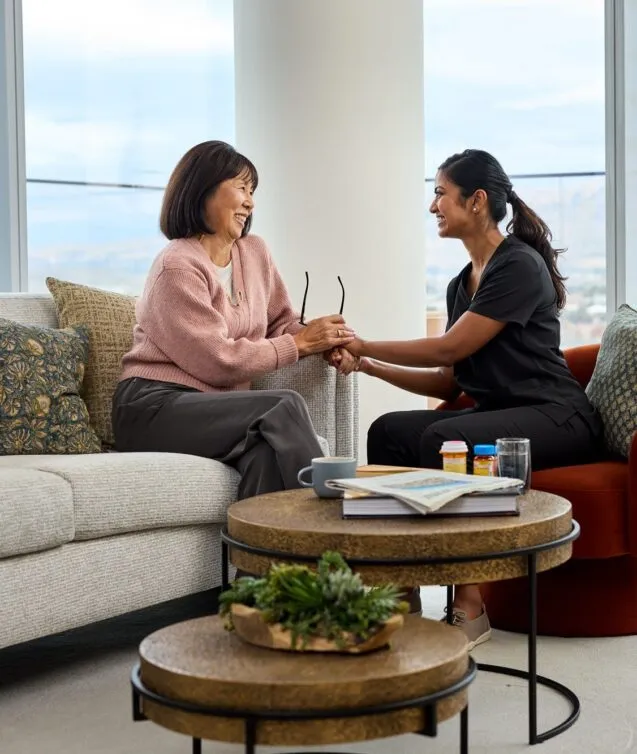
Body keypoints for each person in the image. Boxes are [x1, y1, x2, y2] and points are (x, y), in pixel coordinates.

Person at [330, 149, 602, 648]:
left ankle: (470, 606)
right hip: (501, 416)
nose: (433, 206)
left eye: (440, 193)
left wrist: (363, 342)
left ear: (476, 201)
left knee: (446, 434)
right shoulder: (463, 283)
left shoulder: (517, 264)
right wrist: (367, 365)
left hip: (558, 417)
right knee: (388, 431)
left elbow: (451, 345)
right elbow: (447, 382)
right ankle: (398, 594)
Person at [112, 140, 356, 500]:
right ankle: (331, 527)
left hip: (216, 410)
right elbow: (218, 361)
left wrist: (326, 343)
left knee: (265, 456)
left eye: (252, 190)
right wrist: (299, 344)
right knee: (281, 405)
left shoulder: (254, 252)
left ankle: (259, 556)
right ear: (203, 190)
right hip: (153, 408)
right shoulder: (177, 266)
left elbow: (282, 323)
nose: (250, 201)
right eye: (241, 188)